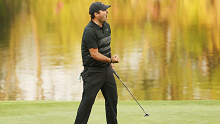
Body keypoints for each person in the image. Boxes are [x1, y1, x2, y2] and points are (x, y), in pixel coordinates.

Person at [74, 2, 119, 124]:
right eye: (104, 10)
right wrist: (110, 60)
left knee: (112, 101)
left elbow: (105, 47)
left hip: (107, 70)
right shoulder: (89, 31)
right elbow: (94, 54)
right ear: (96, 14)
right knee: (87, 103)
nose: (107, 12)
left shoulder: (107, 26)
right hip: (93, 72)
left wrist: (110, 61)